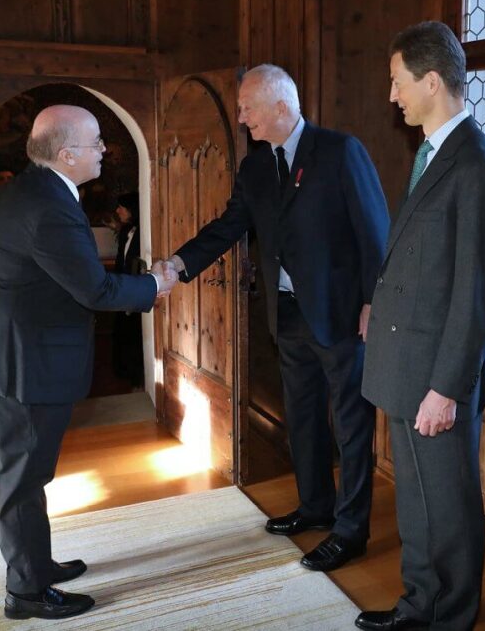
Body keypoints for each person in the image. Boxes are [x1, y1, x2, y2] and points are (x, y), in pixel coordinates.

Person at [166, 64, 389, 572]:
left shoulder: (339, 151)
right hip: (286, 315)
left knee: (353, 427)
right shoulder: (255, 168)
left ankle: (350, 531)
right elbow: (229, 227)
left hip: (342, 316)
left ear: (281, 106)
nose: (241, 118)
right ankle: (315, 506)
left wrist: (375, 304)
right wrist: (180, 265)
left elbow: (375, 231)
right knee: (304, 416)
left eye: (247, 108)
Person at [0, 105, 177, 620]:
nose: (105, 148)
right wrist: (155, 284)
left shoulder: (34, 190)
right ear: (66, 154)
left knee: (27, 475)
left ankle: (37, 564)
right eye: (97, 141)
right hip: (23, 365)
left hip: (15, 354)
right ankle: (27, 593)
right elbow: (96, 288)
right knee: (21, 480)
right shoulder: (49, 205)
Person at [356, 21, 485, 631]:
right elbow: (419, 259)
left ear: (432, 81)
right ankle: (419, 607)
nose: (392, 96)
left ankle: (450, 619)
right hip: (404, 362)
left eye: (397, 83)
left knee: (447, 510)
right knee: (418, 505)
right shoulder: (431, 151)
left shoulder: (474, 164)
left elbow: (477, 292)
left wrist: (448, 387)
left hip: (436, 375)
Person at [112, 192, 144, 388]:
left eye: (121, 207)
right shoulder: (125, 232)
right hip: (123, 288)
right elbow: (121, 262)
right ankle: (124, 370)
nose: (118, 211)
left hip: (136, 289)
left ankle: (136, 375)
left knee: (135, 334)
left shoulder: (143, 233)